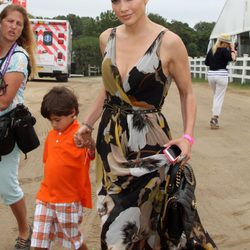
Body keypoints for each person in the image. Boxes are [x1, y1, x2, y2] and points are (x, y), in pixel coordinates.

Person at [74, 0, 216, 249]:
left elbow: (187, 93)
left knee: (148, 222)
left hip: (149, 145)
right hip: (111, 142)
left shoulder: (169, 42)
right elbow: (110, 89)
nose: (122, 7)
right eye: (116, 0)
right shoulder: (106, 37)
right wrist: (87, 123)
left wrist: (188, 137)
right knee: (114, 224)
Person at [31, 86, 95, 250]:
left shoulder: (79, 135)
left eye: (57, 120)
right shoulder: (51, 136)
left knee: (74, 241)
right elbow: (48, 162)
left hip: (68, 201)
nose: (54, 124)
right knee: (38, 242)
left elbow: (91, 153)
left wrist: (91, 145)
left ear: (72, 112)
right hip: (45, 197)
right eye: (51, 120)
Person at [0, 4, 36, 250]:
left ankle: (25, 229)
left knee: (7, 184)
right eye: (9, 21)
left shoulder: (18, 57)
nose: (13, 26)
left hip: (6, 130)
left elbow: (4, 99)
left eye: (18, 23)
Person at [205, 33, 237, 129]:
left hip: (211, 75)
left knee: (216, 96)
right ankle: (214, 118)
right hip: (221, 75)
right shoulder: (224, 50)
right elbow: (233, 59)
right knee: (219, 97)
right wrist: (233, 49)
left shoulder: (212, 50)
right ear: (226, 43)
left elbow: (206, 63)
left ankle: (214, 115)